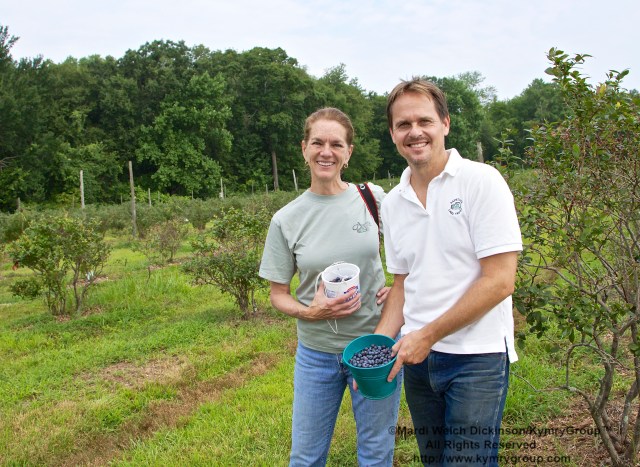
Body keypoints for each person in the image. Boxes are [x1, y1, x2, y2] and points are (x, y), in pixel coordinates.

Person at [375, 78, 522, 466]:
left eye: (424, 120)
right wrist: (377, 347)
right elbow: (403, 283)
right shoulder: (393, 203)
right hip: (418, 362)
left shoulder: (481, 182)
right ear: (392, 134)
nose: (415, 132)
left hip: (477, 358)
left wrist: (428, 334)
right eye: (403, 125)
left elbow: (501, 280)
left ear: (445, 123)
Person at [259, 107, 401, 466]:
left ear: (349, 152)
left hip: (376, 346)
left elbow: (411, 256)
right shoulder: (286, 219)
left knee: (376, 453)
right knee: (306, 457)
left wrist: (400, 288)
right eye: (318, 142)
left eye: (336, 144)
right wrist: (311, 311)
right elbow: (278, 294)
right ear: (304, 148)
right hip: (316, 355)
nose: (327, 151)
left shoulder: (373, 199)